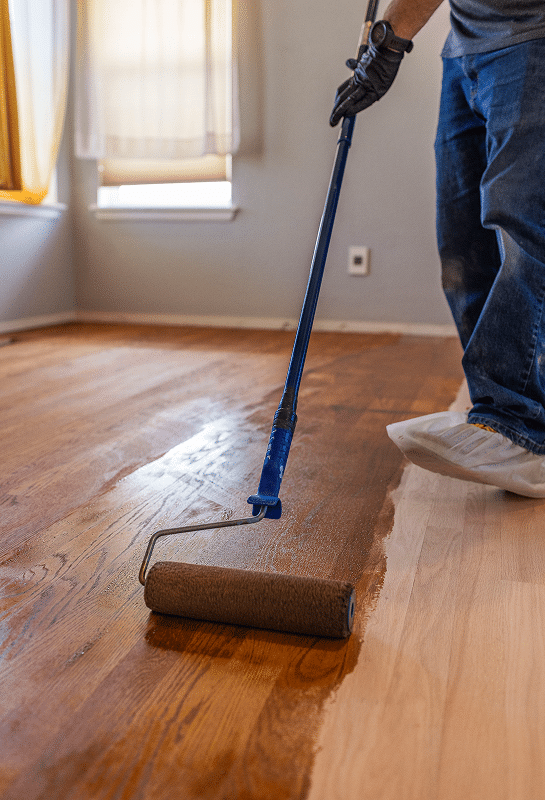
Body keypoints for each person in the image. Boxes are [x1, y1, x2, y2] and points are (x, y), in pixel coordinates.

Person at [330, 0, 545, 497]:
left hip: (533, 36)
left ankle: (521, 424)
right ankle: (496, 412)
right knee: (462, 247)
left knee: (526, 228)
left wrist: (390, 39)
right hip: (465, 46)